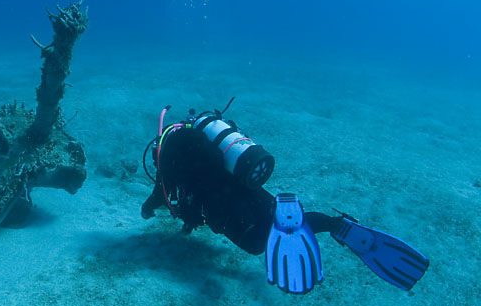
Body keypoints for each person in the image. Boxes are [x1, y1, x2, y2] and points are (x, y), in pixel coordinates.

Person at [141, 104, 429, 295]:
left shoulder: (168, 155)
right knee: (277, 216)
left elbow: (161, 194)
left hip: (219, 203)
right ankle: (334, 223)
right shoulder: (207, 137)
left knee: (256, 243)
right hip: (245, 185)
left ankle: (321, 227)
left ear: (158, 150)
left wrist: (147, 209)